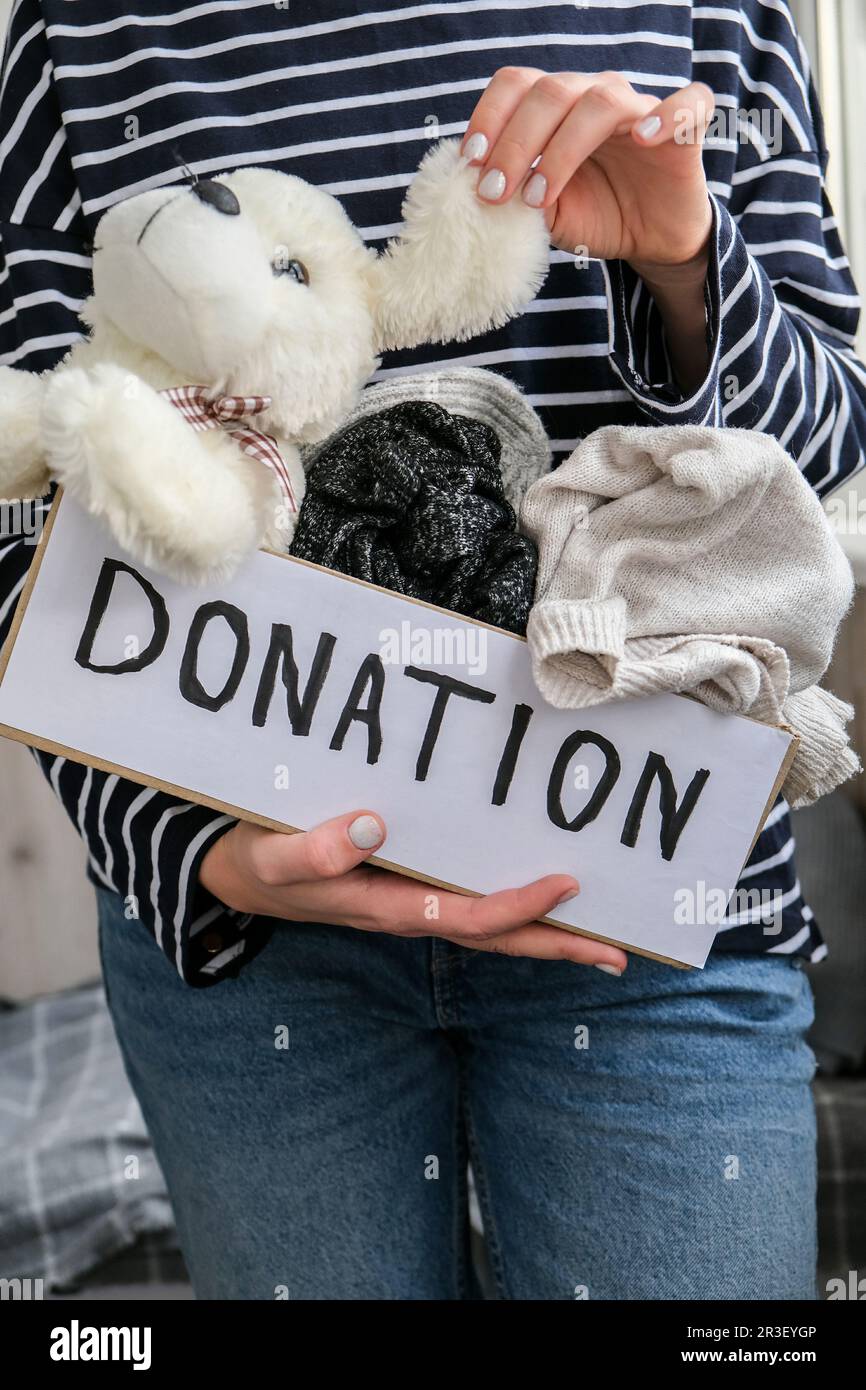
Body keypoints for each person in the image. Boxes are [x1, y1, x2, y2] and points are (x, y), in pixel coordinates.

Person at [1, 0, 862, 1300]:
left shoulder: (714, 18)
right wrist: (191, 853)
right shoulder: (81, 31)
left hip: (652, 895)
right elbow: (30, 496)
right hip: (254, 926)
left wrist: (687, 266)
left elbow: (824, 468)